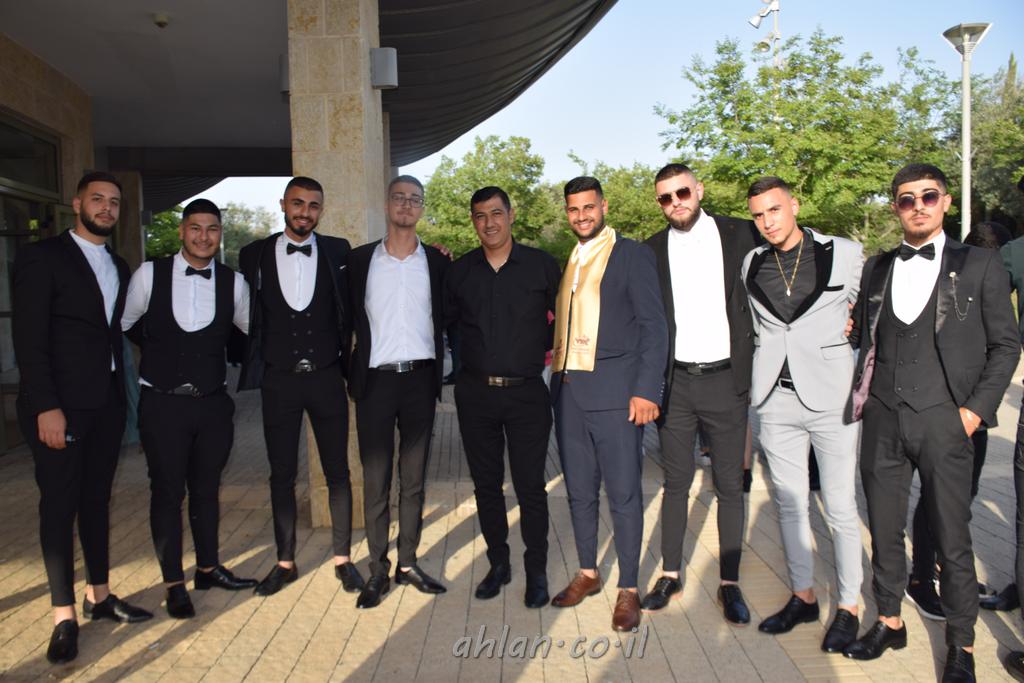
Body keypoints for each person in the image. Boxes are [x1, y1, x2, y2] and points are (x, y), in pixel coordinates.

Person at [844, 164, 1019, 683]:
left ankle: (961, 646)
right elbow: (870, 336)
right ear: (895, 207)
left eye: (927, 196)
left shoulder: (981, 264)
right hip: (883, 419)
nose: (917, 206)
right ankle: (889, 621)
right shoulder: (878, 267)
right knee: (884, 529)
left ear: (945, 202)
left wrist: (973, 412)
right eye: (906, 199)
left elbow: (1006, 346)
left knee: (952, 538)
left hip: (948, 420)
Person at [13, 171, 152, 665]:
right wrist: (45, 405)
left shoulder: (118, 264)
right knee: (59, 505)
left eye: (114, 201)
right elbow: (29, 340)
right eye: (97, 199)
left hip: (107, 404)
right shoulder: (42, 258)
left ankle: (100, 596)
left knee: (96, 500)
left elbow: (123, 329)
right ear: (77, 204)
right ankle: (63, 615)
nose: (107, 208)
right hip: (59, 407)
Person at [740, 177, 863, 652]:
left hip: (832, 397)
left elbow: (873, 310)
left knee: (840, 507)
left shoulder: (844, 253)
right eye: (758, 215)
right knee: (790, 503)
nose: (767, 221)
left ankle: (849, 606)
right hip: (776, 400)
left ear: (794, 204)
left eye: (774, 209)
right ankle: (803, 596)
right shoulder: (752, 262)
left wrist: (856, 329)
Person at [122, 199, 257, 619]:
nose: (203, 236)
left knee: (206, 491)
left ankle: (208, 569)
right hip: (162, 404)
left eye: (212, 229)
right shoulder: (149, 275)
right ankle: (173, 584)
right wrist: (163, 351)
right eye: (195, 228)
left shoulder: (234, 283)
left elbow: (252, 331)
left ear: (220, 234)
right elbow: (126, 323)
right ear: (182, 231)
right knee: (166, 493)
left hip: (212, 405)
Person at [641, 163, 759, 623]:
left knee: (729, 485)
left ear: (699, 190)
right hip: (677, 385)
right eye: (665, 198)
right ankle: (670, 573)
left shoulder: (741, 234)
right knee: (675, 483)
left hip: (726, 380)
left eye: (682, 193)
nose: (675, 203)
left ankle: (729, 583)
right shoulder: (651, 250)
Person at [549, 176, 668, 632]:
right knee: (579, 491)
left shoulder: (631, 254)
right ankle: (588, 572)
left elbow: (654, 326)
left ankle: (629, 587)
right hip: (570, 394)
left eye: (588, 207)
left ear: (603, 206)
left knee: (624, 494)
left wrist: (647, 389)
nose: (581, 216)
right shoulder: (572, 258)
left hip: (617, 395)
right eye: (573, 209)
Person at [238, 176, 364, 596]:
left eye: (313, 205)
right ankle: (285, 562)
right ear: (283, 204)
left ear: (321, 210)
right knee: (281, 474)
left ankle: (343, 559)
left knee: (338, 471)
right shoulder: (253, 254)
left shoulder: (338, 251)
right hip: (279, 381)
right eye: (297, 203)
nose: (304, 212)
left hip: (327, 376)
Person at [444, 186, 560, 608]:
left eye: (496, 213)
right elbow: (447, 324)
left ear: (511, 215)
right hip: (475, 395)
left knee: (531, 487)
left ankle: (537, 571)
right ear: (473, 221)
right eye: (480, 215)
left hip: (527, 394)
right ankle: (498, 564)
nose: (489, 222)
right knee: (487, 486)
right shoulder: (459, 272)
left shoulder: (542, 265)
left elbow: (563, 321)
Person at [347, 175, 450, 609]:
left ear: (422, 208)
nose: (406, 205)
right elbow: (343, 319)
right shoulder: (359, 262)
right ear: (386, 204)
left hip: (420, 381)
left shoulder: (438, 263)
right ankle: (377, 569)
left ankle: (407, 563)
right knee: (376, 481)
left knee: (414, 480)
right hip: (375, 381)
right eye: (399, 198)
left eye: (414, 199)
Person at [907, 220, 1012, 621]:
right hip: (952, 411)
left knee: (955, 497)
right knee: (940, 497)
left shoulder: (972, 282)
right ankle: (921, 579)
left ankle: (942, 571)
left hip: (972, 411)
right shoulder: (954, 286)